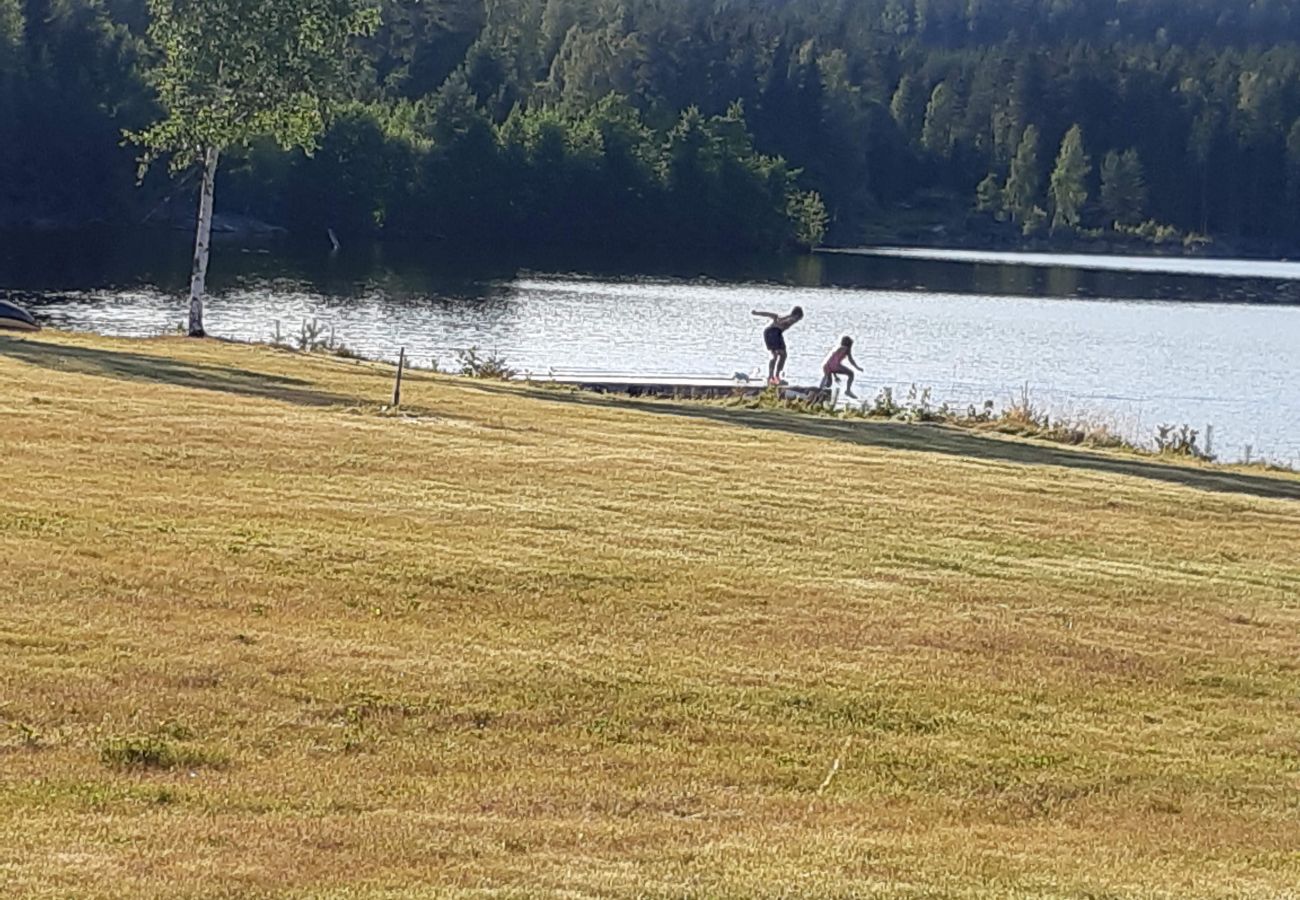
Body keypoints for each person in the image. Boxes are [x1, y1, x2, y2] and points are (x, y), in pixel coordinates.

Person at [752, 306, 803, 385]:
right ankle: (770, 377)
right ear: (794, 315)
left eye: (798, 319)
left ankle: (777, 376)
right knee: (775, 355)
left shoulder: (792, 320)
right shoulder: (784, 318)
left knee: (783, 355)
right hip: (770, 332)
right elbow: (771, 315)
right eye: (797, 318)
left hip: (778, 333)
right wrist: (757, 313)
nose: (796, 321)